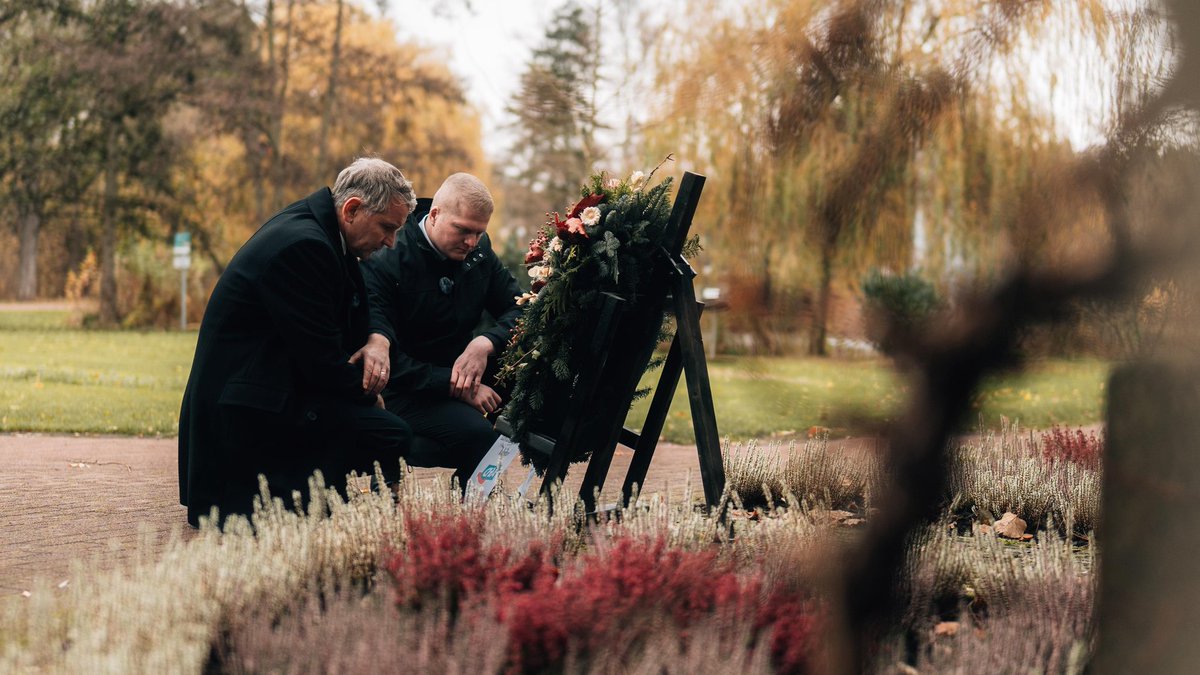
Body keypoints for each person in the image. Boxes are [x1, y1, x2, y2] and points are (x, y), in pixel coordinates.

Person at [178, 158, 416, 527]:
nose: (391, 241)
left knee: (379, 428)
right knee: (390, 433)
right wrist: (369, 393)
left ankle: (330, 506)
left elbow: (355, 312)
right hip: (246, 411)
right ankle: (339, 512)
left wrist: (375, 340)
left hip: (272, 389)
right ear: (352, 209)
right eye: (387, 227)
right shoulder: (304, 246)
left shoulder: (324, 232)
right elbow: (320, 362)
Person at [360, 173, 522, 488]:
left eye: (479, 232)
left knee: (535, 395)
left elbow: (518, 306)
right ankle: (467, 511)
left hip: (461, 368)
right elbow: (385, 358)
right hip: (402, 388)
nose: (472, 242)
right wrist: (457, 385)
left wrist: (484, 344)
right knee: (477, 435)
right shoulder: (386, 259)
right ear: (434, 215)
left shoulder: (479, 251)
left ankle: (475, 491)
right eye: (462, 230)